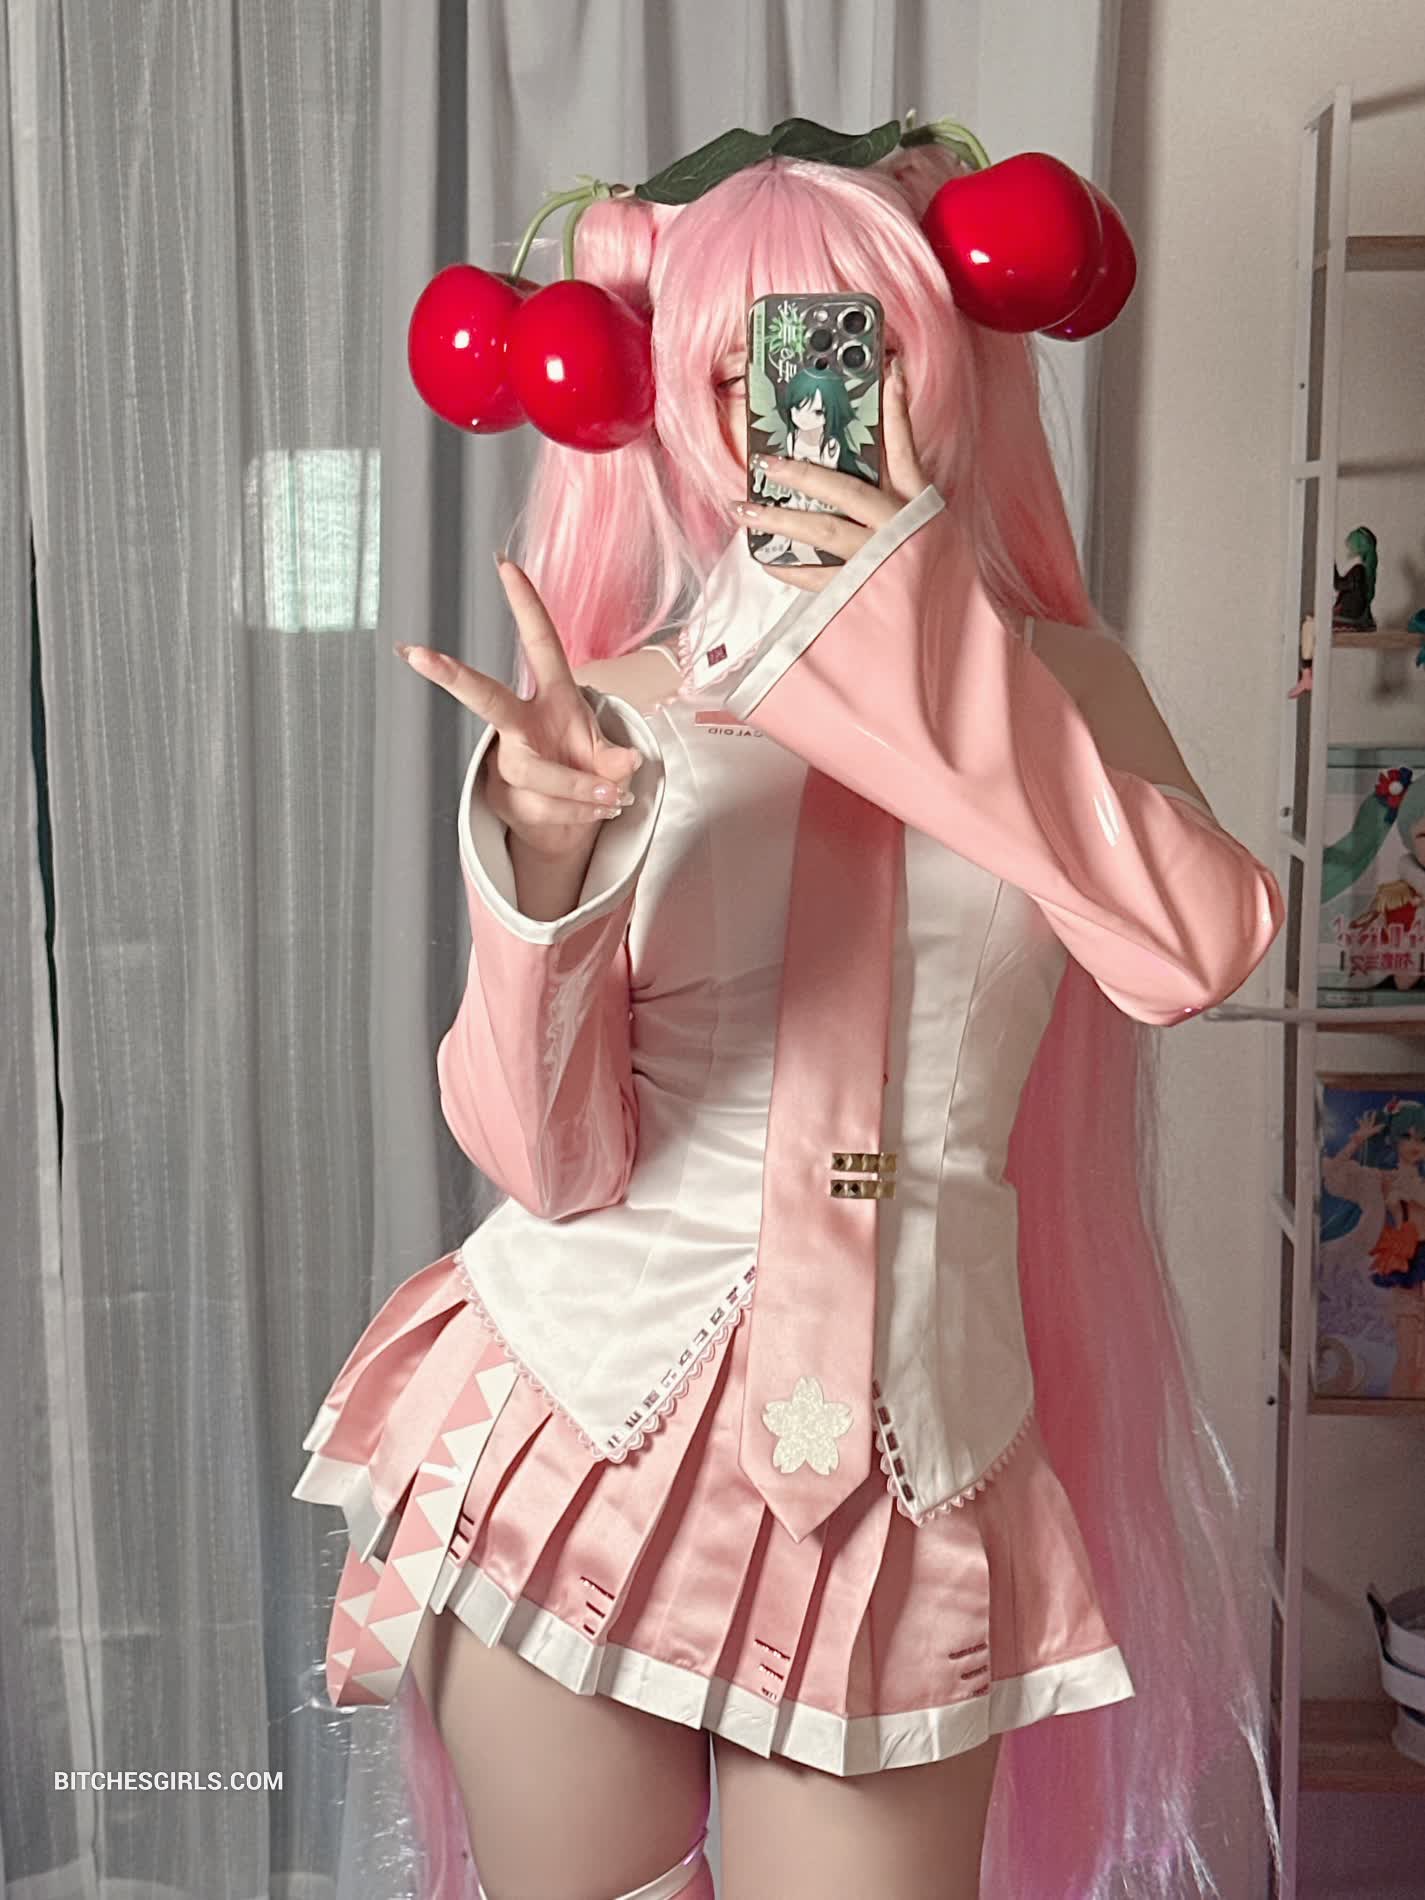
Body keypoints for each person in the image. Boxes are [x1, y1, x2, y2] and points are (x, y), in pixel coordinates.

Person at [294, 140, 1284, 1900]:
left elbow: (1188, 953)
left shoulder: (1063, 691)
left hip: (908, 1456)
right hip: (577, 1418)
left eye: (846, 349)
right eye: (737, 370)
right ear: (679, 404)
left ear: (940, 365)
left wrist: (913, 634)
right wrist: (541, 875)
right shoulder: (603, 712)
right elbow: (548, 1162)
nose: (791, 411)